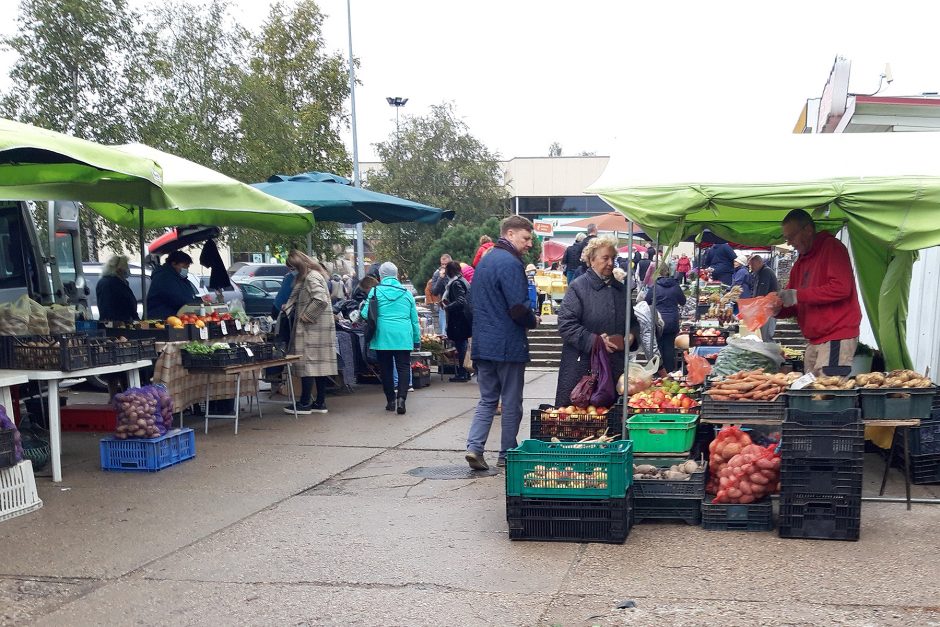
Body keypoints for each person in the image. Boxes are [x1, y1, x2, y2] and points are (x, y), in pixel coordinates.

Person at [465, 216, 539, 471]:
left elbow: (471, 306)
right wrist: (533, 320)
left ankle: (474, 448)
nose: (529, 244)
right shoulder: (510, 263)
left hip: (484, 344)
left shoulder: (484, 263)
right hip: (507, 345)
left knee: (487, 400)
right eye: (526, 238)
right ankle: (507, 453)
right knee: (510, 402)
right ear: (509, 233)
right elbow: (518, 307)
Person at [774, 209, 861, 375]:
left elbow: (841, 288)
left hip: (836, 336)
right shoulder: (799, 263)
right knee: (810, 394)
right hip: (814, 340)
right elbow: (794, 304)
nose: (790, 242)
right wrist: (777, 309)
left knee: (827, 395)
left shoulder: (832, 248)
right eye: (786, 238)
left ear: (807, 230)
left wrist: (796, 295)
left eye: (791, 236)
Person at [556, 237, 639, 407]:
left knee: (612, 419)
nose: (610, 263)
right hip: (583, 369)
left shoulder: (621, 290)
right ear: (591, 259)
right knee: (581, 419)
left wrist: (631, 336)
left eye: (613, 258)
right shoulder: (578, 287)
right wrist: (595, 341)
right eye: (605, 258)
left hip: (615, 367)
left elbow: (633, 322)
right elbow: (566, 323)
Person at [361, 262, 420, 414]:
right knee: (403, 368)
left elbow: (364, 314)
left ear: (381, 276)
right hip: (403, 336)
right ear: (396, 274)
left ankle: (390, 401)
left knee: (386, 369)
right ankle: (402, 399)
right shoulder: (407, 294)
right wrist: (416, 339)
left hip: (383, 336)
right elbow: (414, 319)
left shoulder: (375, 291)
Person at [282, 251, 337, 415]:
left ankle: (305, 402)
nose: (291, 271)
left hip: (312, 329)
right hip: (320, 329)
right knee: (319, 367)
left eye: (292, 267)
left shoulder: (311, 277)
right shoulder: (315, 275)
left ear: (298, 266)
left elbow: (320, 299)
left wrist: (306, 316)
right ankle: (320, 402)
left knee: (307, 365)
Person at [645, 266, 687, 373]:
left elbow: (646, 301)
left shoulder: (654, 287)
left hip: (658, 320)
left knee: (658, 346)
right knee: (669, 345)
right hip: (672, 320)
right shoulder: (675, 286)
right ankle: (669, 371)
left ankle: (658, 371)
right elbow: (683, 301)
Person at [442, 260, 472, 382]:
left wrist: (447, 307)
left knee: (461, 346)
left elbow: (461, 301)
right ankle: (465, 371)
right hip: (465, 318)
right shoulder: (463, 281)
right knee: (462, 345)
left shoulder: (455, 283)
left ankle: (462, 372)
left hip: (459, 320)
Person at [146, 250, 197, 321]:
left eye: (187, 267)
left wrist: (198, 301)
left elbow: (188, 295)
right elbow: (177, 298)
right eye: (184, 266)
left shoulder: (180, 278)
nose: (186, 269)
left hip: (173, 318)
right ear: (173, 264)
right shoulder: (164, 277)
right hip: (160, 319)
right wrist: (196, 304)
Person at [96, 255, 138, 322]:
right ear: (119, 269)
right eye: (126, 267)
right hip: (118, 325)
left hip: (115, 324)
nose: (127, 270)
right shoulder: (113, 284)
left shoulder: (106, 282)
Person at [748, 254, 779, 342]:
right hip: (765, 308)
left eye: (753, 265)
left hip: (769, 308)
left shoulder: (765, 272)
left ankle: (770, 355)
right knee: (764, 335)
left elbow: (762, 293)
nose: (751, 267)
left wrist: (753, 307)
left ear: (760, 262)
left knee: (766, 336)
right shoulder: (760, 273)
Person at [431, 253, 452, 335]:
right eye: (442, 264)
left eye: (446, 264)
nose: (444, 266)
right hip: (443, 304)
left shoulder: (455, 272)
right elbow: (434, 292)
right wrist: (441, 278)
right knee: (443, 332)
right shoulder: (437, 273)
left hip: (455, 304)